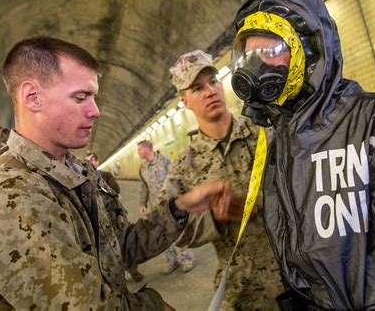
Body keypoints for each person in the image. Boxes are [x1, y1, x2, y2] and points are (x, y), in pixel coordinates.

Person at [0, 36, 231, 310]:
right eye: (81, 97)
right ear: (32, 97)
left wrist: (178, 209)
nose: (96, 111)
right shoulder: (8, 197)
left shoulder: (78, 172)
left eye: (93, 97)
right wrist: (154, 306)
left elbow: (118, 248)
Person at [231, 0, 375, 310]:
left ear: (310, 50)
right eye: (248, 54)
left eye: (270, 51)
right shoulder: (281, 143)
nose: (255, 66)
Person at [164, 50, 284, 310]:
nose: (210, 91)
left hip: (295, 277)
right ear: (185, 101)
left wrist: (260, 202)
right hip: (243, 292)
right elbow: (173, 230)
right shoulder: (185, 166)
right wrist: (214, 218)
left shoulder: (265, 133)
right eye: (197, 88)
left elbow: (303, 184)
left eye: (213, 81)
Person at [86, 151, 145, 283]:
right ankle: (115, 278)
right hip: (98, 224)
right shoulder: (83, 179)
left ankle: (133, 271)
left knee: (125, 245)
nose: (92, 162)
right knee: (106, 252)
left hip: (114, 219)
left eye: (94, 159)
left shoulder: (105, 176)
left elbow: (115, 189)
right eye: (89, 160)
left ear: (97, 162)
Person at [137, 140, 194, 273]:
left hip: (172, 205)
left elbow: (176, 178)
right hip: (156, 207)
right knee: (163, 235)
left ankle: (186, 260)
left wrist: (183, 197)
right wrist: (142, 203)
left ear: (147, 149)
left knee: (178, 232)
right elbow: (144, 187)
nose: (138, 153)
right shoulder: (142, 168)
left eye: (139, 149)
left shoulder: (165, 161)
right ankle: (171, 261)